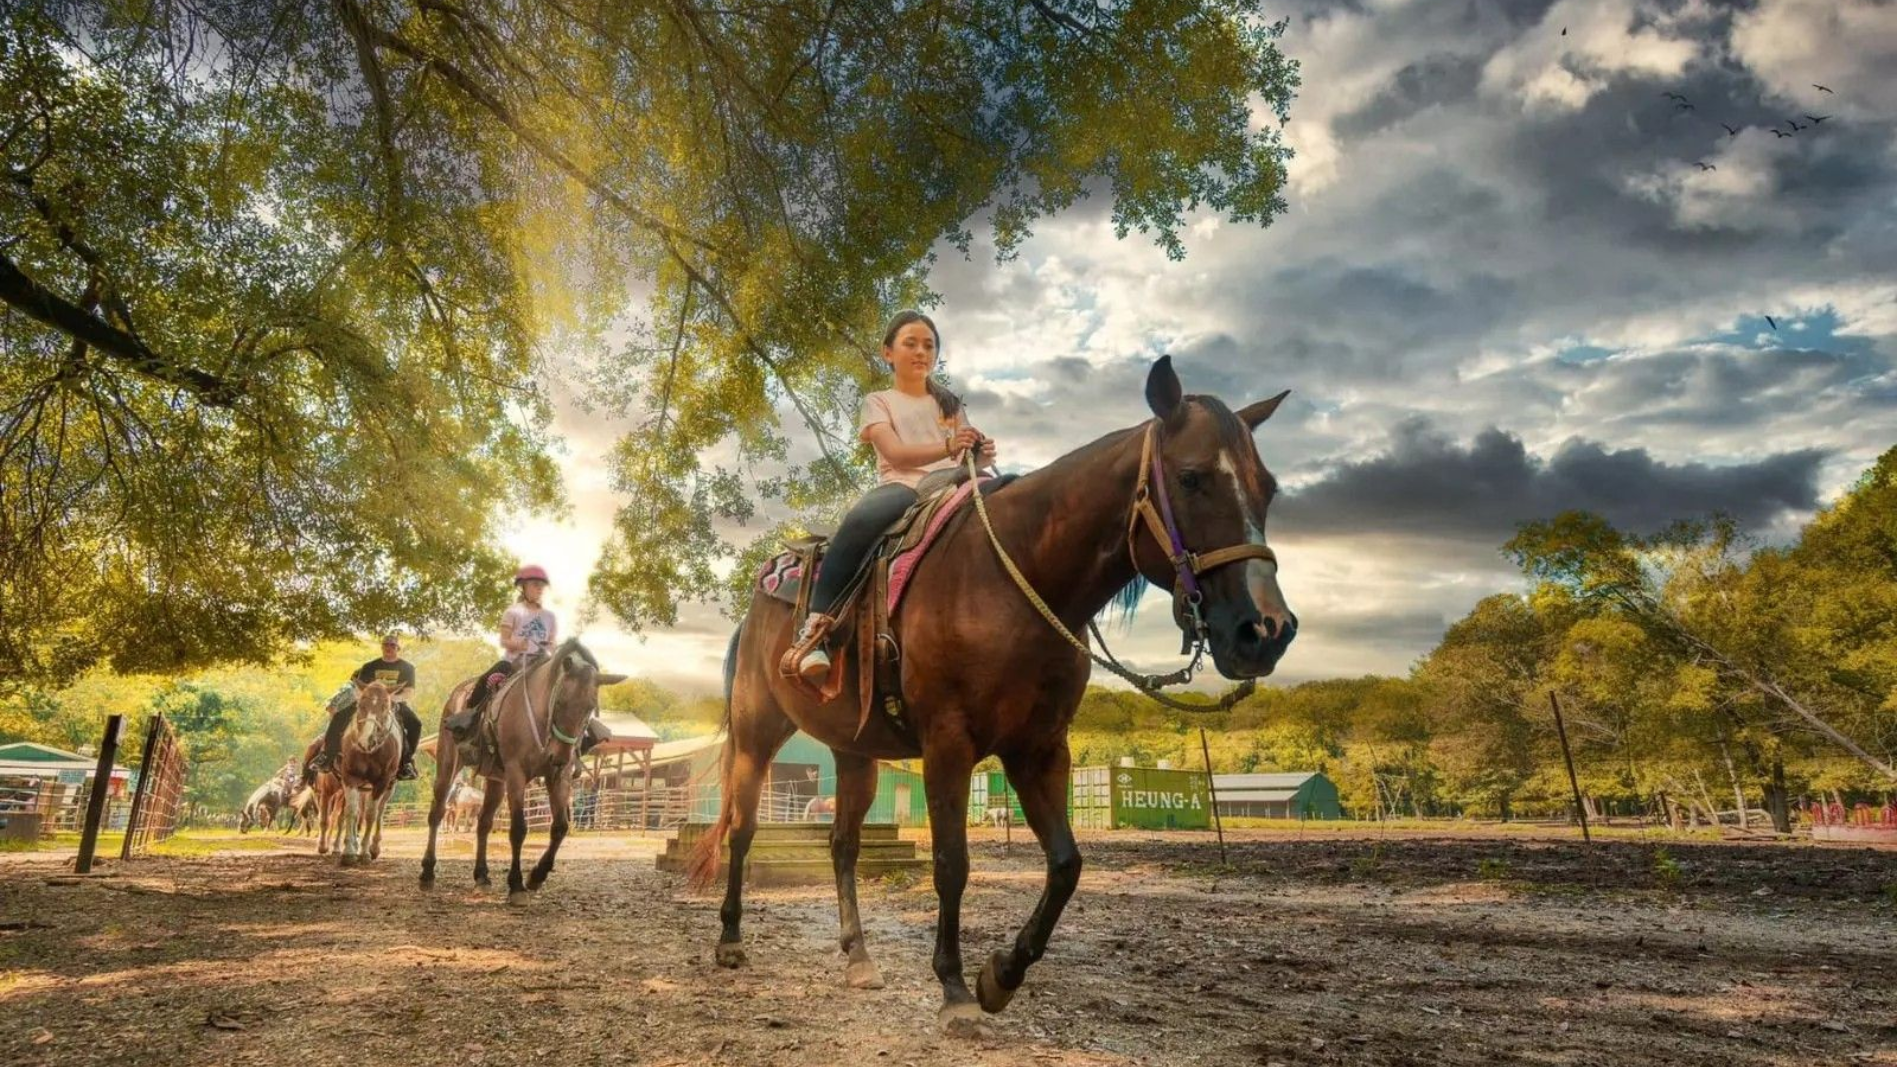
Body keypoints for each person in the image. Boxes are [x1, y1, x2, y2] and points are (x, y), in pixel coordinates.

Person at [785, 310, 999, 682]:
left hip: (954, 484)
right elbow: (897, 453)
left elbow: (963, 456)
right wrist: (949, 444)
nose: (921, 352)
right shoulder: (879, 401)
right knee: (861, 521)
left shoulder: (951, 404)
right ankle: (816, 629)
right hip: (904, 486)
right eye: (910, 343)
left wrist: (979, 454)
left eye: (929, 345)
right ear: (888, 353)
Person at [444, 565, 610, 756]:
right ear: (523, 587)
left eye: (541, 586)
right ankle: (469, 726)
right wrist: (518, 643)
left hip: (542, 663)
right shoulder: (512, 613)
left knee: (571, 692)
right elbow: (504, 640)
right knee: (485, 680)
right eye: (535, 585)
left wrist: (549, 646)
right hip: (513, 662)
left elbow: (552, 643)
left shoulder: (549, 617)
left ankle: (583, 736)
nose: (539, 589)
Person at [310, 634, 423, 780]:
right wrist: (363, 700)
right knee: (339, 717)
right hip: (368, 702)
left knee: (416, 724)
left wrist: (391, 698)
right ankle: (326, 756)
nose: (389, 648)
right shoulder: (370, 666)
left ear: (398, 648)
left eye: (392, 646)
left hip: (394, 702)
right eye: (386, 645)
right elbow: (358, 688)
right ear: (382, 647)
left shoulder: (407, 668)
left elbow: (409, 691)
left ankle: (407, 762)